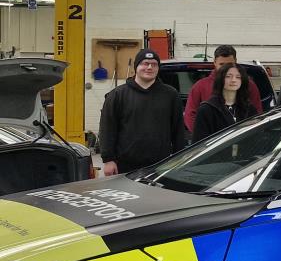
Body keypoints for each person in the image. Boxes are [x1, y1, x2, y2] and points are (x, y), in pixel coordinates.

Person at [99, 48, 186, 176]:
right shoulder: (117, 95)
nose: (149, 67)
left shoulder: (170, 95)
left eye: (154, 64)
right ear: (136, 67)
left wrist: (179, 158)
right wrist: (108, 160)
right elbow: (107, 129)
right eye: (145, 63)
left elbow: (178, 130)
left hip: (160, 165)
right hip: (124, 165)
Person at [182, 44, 262, 133]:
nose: (225, 68)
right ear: (215, 62)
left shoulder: (249, 85)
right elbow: (190, 115)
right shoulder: (200, 86)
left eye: (229, 64)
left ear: (235, 61)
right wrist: (204, 136)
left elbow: (256, 114)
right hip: (210, 144)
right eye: (221, 64)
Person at [191, 63, 257, 144]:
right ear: (220, 79)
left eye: (238, 77)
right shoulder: (207, 110)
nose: (233, 80)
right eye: (228, 76)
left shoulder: (249, 108)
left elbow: (255, 138)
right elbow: (199, 144)